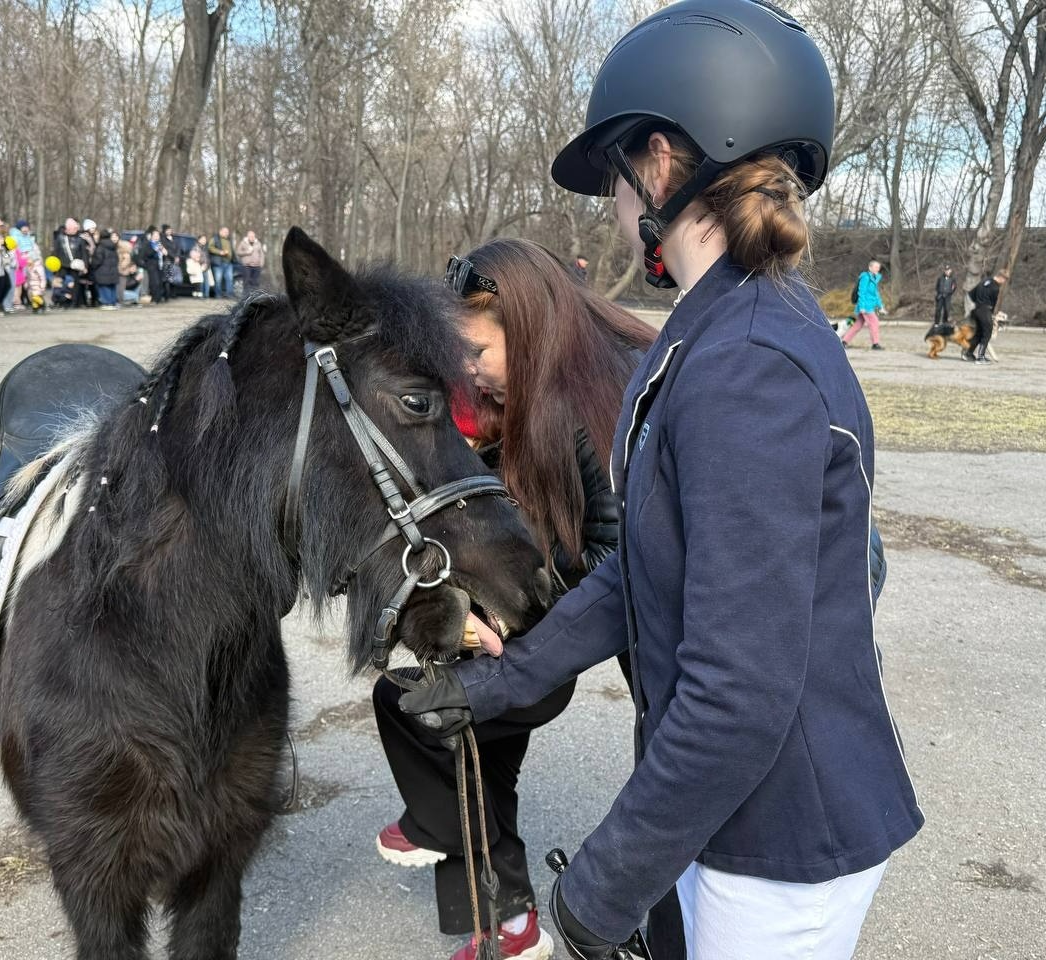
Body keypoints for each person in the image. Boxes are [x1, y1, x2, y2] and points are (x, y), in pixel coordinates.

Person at [398, 3, 922, 958]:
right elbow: (636, 574)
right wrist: (500, 683)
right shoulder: (705, 337)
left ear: (662, 160)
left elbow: (741, 692)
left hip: (780, 838)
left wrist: (601, 887)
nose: (614, 204)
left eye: (615, 178)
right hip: (721, 815)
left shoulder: (750, 365)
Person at [372, 239, 655, 960]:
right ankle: (509, 926)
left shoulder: (598, 401)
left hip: (612, 625)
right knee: (476, 748)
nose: (466, 369)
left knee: (416, 703)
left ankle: (446, 830)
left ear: (525, 324)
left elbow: (620, 560)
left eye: (475, 350)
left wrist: (508, 613)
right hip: (561, 622)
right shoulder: (531, 389)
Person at [842, 259, 885, 350]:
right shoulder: (865, 277)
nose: (878, 269)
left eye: (879, 267)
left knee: (858, 324)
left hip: (870, 306)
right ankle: (875, 344)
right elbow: (861, 293)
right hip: (865, 307)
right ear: (870, 268)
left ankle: (844, 341)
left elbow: (876, 294)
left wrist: (880, 306)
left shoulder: (874, 279)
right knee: (874, 322)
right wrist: (862, 307)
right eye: (876, 267)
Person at [967, 268, 1008, 363]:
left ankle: (968, 353)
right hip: (985, 310)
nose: (1004, 282)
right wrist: (992, 313)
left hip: (976, 309)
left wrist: (976, 304)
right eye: (1005, 280)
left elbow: (971, 294)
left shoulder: (984, 281)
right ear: (1002, 278)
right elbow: (993, 303)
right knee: (987, 333)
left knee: (979, 332)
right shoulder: (995, 287)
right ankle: (980, 357)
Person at [54, 218, 90, 310]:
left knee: (75, 285)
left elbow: (84, 253)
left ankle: (73, 302)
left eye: (75, 228)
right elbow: (56, 252)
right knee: (61, 285)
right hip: (62, 266)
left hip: (75, 266)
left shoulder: (80, 239)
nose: (75, 230)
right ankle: (62, 301)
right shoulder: (60, 238)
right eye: (72, 228)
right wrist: (54, 266)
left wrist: (85, 266)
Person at [89, 228, 121, 309]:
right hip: (113, 271)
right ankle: (113, 302)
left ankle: (106, 303)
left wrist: (93, 266)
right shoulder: (113, 246)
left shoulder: (100, 246)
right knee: (112, 287)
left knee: (104, 287)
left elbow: (97, 260)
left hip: (102, 271)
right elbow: (117, 259)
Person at [208, 227, 236, 297]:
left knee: (229, 279)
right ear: (220, 232)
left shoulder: (229, 240)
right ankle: (218, 295)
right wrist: (220, 252)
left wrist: (234, 258)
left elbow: (232, 250)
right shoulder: (215, 239)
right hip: (219, 263)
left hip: (229, 263)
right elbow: (210, 248)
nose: (227, 233)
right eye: (225, 232)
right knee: (218, 280)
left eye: (227, 232)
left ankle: (229, 294)